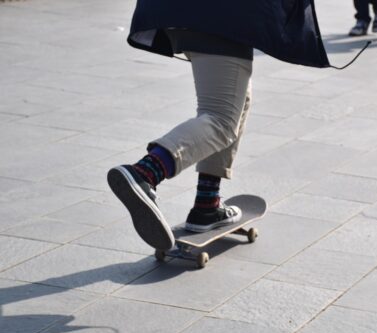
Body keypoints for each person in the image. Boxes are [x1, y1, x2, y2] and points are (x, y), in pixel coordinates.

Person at [108, 0, 331, 251]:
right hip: (221, 16)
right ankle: (146, 173)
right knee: (221, 120)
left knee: (239, 101)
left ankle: (207, 205)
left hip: (191, 13)